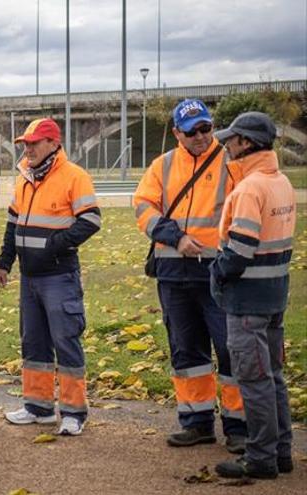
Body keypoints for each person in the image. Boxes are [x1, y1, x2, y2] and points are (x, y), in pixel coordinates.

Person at [133, 99, 247, 452]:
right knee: (185, 351)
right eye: (192, 131)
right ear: (176, 133)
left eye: (206, 128)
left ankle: (239, 427)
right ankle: (196, 422)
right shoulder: (162, 165)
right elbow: (142, 206)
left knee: (230, 350)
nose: (200, 136)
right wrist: (175, 237)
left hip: (219, 272)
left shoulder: (232, 163)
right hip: (173, 271)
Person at [0, 118, 101, 436]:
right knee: (34, 342)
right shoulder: (24, 177)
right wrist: (4, 263)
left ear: (54, 144)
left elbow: (91, 220)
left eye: (34, 143)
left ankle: (73, 412)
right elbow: (13, 225)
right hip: (29, 278)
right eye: (25, 143)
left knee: (66, 341)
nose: (28, 148)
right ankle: (37, 407)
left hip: (59, 276)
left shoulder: (74, 176)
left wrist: (55, 246)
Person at [209, 112, 295, 479]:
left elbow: (240, 249)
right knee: (272, 376)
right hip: (274, 293)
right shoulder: (281, 182)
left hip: (247, 300)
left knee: (254, 379)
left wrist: (217, 273)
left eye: (231, 139)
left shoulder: (249, 189)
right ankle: (281, 451)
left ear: (246, 143)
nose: (226, 146)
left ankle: (260, 457)